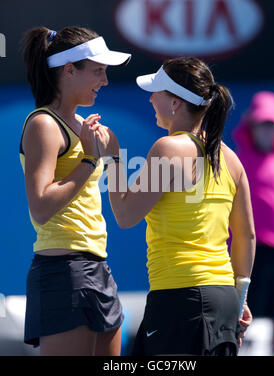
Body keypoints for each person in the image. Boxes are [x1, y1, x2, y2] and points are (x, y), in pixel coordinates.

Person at [96, 57, 256, 355]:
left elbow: (126, 214)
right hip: (223, 300)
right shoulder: (231, 158)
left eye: (157, 92)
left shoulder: (167, 149)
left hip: (180, 301)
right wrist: (240, 299)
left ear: (175, 104)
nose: (151, 98)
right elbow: (246, 236)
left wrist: (112, 157)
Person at [19, 26, 131, 356]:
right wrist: (90, 159)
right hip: (63, 274)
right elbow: (40, 206)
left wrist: (114, 152)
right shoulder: (43, 124)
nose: (105, 81)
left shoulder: (92, 131)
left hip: (99, 268)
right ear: (69, 70)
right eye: (98, 71)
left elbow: (125, 207)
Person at [233, 91, 274, 356]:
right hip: (251, 247)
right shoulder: (239, 160)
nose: (267, 130)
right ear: (251, 125)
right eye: (263, 124)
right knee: (248, 308)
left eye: (273, 124)